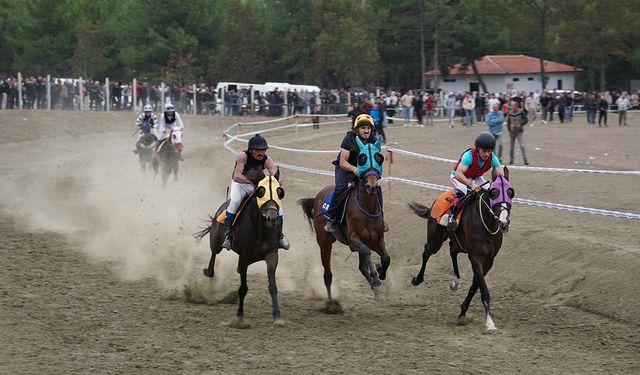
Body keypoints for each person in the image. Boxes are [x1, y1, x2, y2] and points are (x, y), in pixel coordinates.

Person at [222, 134, 289, 250]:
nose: (261, 153)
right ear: (251, 150)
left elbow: (276, 175)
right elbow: (236, 176)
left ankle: (279, 235)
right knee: (235, 201)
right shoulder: (242, 156)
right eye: (258, 150)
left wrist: (275, 182)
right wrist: (250, 182)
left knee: (277, 205)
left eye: (263, 150)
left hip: (256, 186)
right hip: (240, 185)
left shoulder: (267, 160)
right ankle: (228, 235)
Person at [324, 114, 387, 233]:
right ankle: (331, 219)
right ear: (357, 129)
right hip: (346, 168)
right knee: (340, 188)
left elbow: (375, 160)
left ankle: (381, 219)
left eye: (368, 128)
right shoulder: (349, 139)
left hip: (364, 171)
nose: (366, 130)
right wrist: (354, 169)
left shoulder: (374, 140)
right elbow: (343, 162)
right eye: (363, 128)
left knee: (376, 190)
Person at [448, 132, 504, 230]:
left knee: (489, 191)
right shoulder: (468, 156)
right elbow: (458, 174)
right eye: (484, 151)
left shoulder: (493, 158)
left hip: (474, 177)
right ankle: (452, 216)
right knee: (462, 190)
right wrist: (471, 184)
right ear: (478, 149)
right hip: (458, 176)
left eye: (489, 151)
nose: (487, 154)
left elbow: (501, 174)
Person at [507, 101, 529, 165]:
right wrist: (509, 129)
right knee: (511, 147)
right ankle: (511, 160)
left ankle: (525, 161)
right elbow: (508, 122)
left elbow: (526, 120)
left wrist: (521, 124)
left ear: (516, 106)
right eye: (512, 106)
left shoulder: (521, 111)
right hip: (512, 132)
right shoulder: (510, 112)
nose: (512, 107)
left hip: (519, 132)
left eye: (514, 106)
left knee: (522, 146)